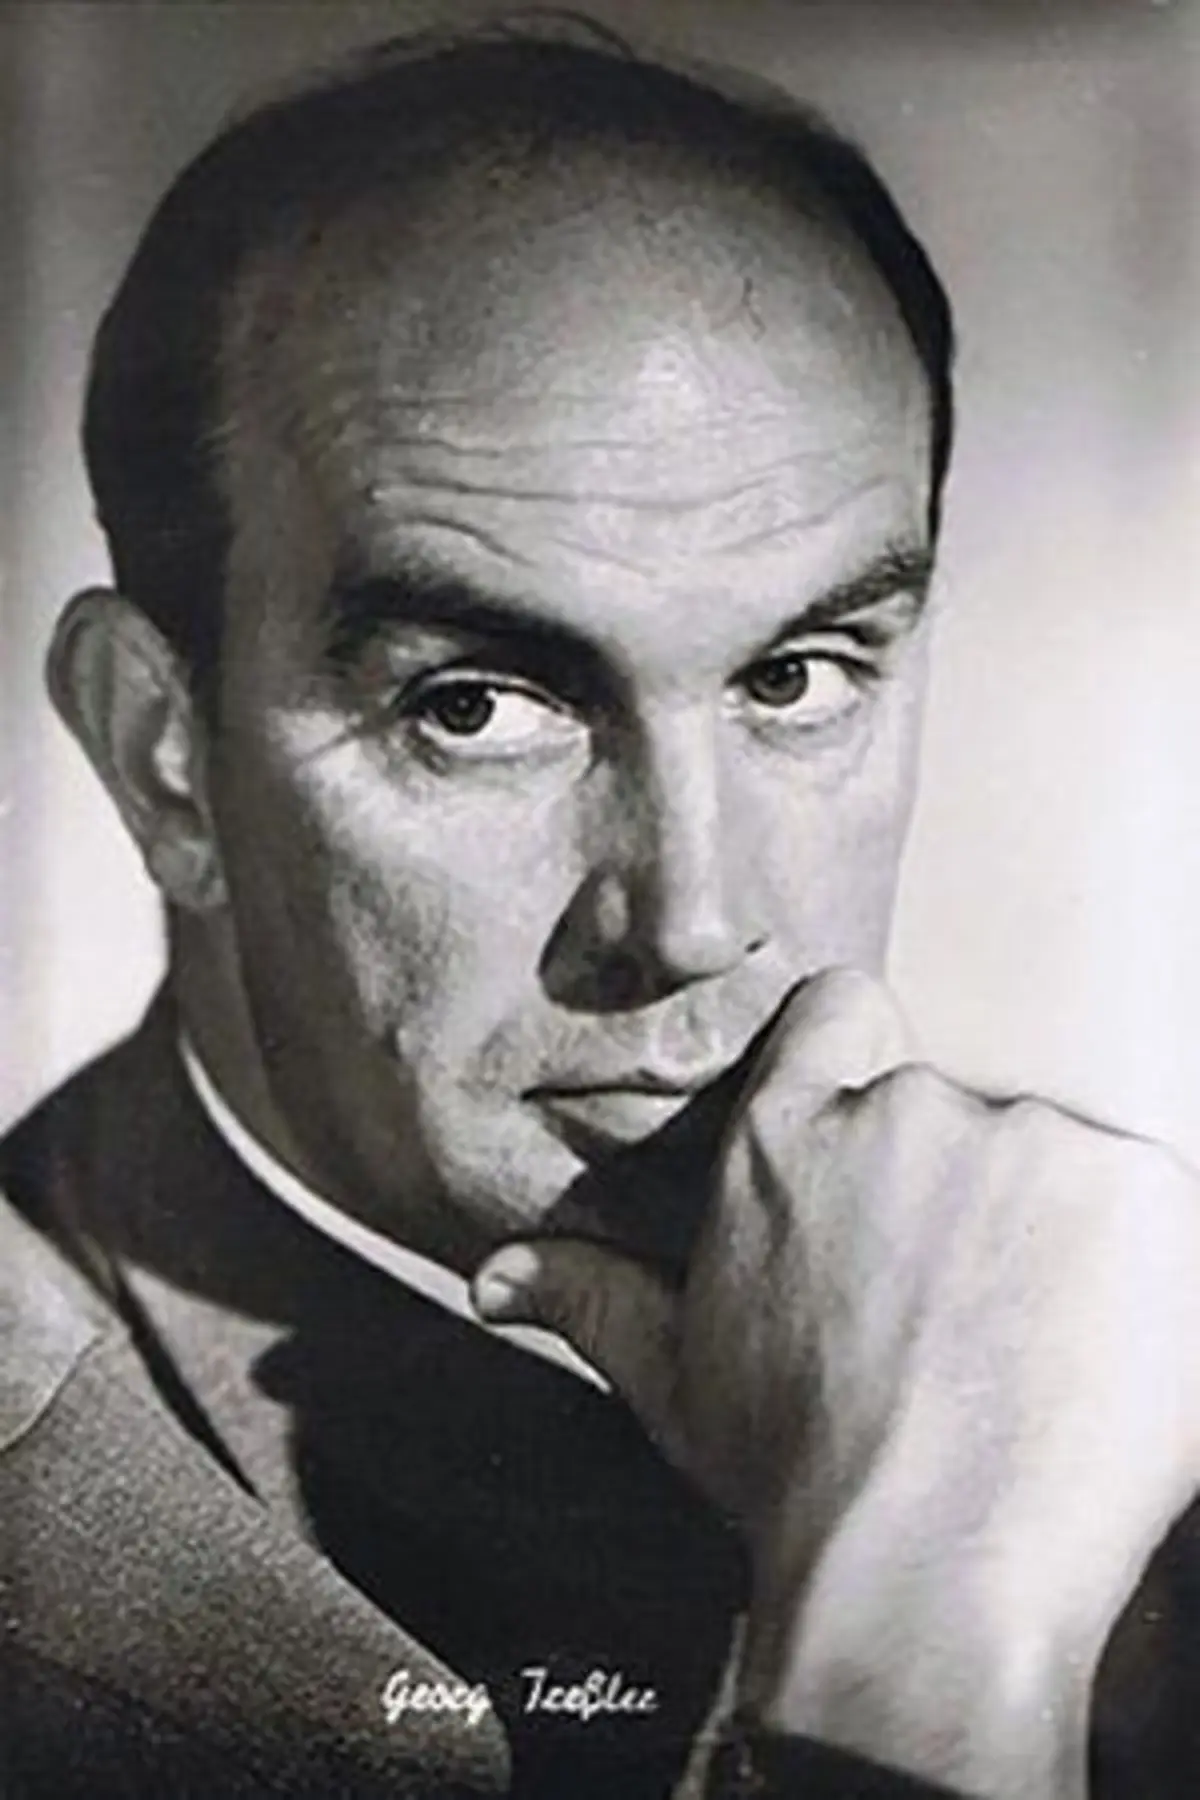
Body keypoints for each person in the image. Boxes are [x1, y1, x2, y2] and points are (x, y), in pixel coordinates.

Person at [3, 19, 1198, 1799]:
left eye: (797, 677)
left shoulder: (1110, 1348)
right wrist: (926, 1639)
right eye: (476, 707)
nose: (694, 919)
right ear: (162, 759)